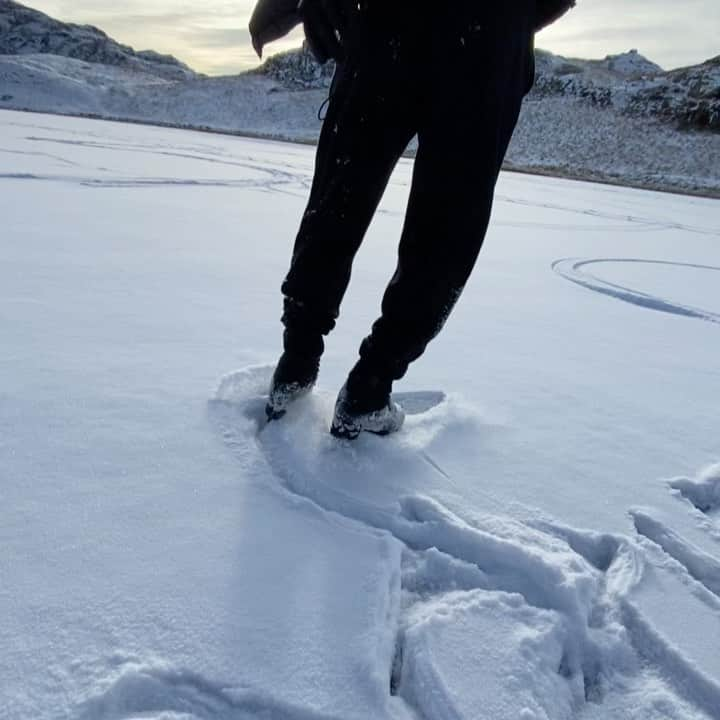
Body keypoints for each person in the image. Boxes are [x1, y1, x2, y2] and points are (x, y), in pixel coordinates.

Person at [250, 0, 575, 439]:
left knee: (341, 194)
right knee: (445, 224)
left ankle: (299, 364)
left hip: (394, 23)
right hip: (485, 39)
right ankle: (367, 385)